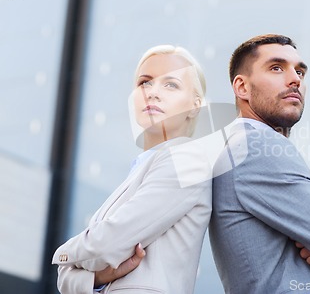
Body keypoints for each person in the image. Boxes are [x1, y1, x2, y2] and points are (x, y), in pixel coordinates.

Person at [209, 34, 310, 293]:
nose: (295, 79)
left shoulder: (234, 148)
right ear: (242, 87)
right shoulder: (258, 146)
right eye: (276, 68)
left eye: (300, 72)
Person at [52, 45, 212, 294]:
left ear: (195, 106)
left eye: (170, 84)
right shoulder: (143, 167)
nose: (153, 93)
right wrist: (96, 276)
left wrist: (63, 254)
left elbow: (107, 245)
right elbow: (65, 281)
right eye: (145, 82)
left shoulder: (188, 160)